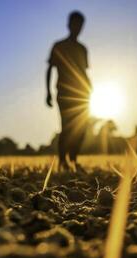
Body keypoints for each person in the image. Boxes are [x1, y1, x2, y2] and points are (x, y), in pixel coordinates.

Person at [46, 11, 91, 171]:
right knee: (67, 126)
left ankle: (73, 159)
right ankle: (62, 160)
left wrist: (90, 88)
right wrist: (48, 92)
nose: (77, 28)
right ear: (69, 25)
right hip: (64, 92)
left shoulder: (82, 49)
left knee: (81, 127)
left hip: (82, 94)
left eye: (80, 26)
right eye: (75, 24)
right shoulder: (59, 46)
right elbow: (50, 68)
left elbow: (84, 72)